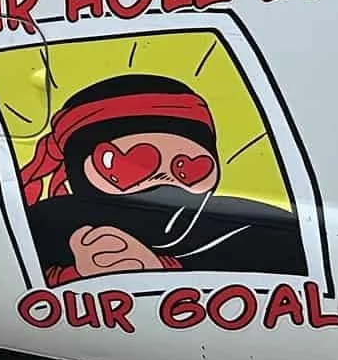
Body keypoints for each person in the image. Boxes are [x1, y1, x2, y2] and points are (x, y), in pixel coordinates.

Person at [16, 72, 307, 284]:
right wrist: (75, 276)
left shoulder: (250, 225)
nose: (164, 179)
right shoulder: (53, 220)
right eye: (136, 164)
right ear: (80, 166)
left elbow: (287, 274)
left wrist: (161, 270)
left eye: (189, 167)